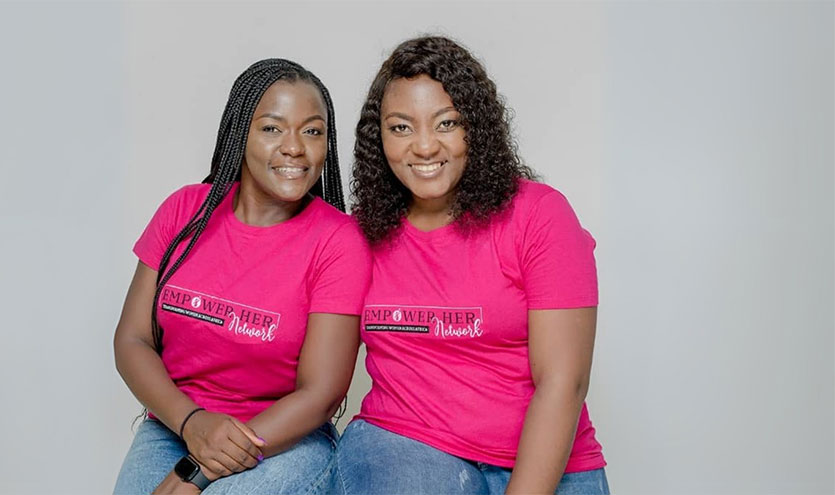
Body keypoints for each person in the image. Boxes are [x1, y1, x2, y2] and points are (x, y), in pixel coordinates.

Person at [336, 36, 609, 495]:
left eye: (446, 123)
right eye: (401, 127)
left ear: (475, 128)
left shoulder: (539, 215)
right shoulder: (359, 234)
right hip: (406, 445)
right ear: (377, 137)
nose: (424, 146)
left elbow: (564, 381)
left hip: (546, 460)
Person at [112, 58, 371, 495]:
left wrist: (198, 469)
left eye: (312, 130)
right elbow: (132, 340)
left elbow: (321, 393)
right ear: (240, 133)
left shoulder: (338, 241)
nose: (295, 147)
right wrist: (192, 424)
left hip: (284, 438)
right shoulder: (184, 211)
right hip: (175, 424)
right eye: (273, 128)